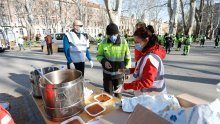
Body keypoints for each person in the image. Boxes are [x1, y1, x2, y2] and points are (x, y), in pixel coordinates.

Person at [115, 26, 166, 96]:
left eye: (137, 42)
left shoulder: (150, 58)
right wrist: (128, 71)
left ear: (146, 40)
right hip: (148, 95)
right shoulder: (147, 53)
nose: (135, 44)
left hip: (152, 97)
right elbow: (142, 69)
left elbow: (147, 82)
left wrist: (125, 86)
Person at [96, 23, 131, 98]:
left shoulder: (124, 42)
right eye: (110, 35)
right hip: (107, 75)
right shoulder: (103, 42)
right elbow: (99, 55)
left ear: (117, 33)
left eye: (114, 34)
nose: (112, 37)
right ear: (107, 35)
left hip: (119, 75)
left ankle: (118, 108)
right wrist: (104, 61)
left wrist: (127, 72)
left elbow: (128, 58)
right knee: (107, 94)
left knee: (118, 95)